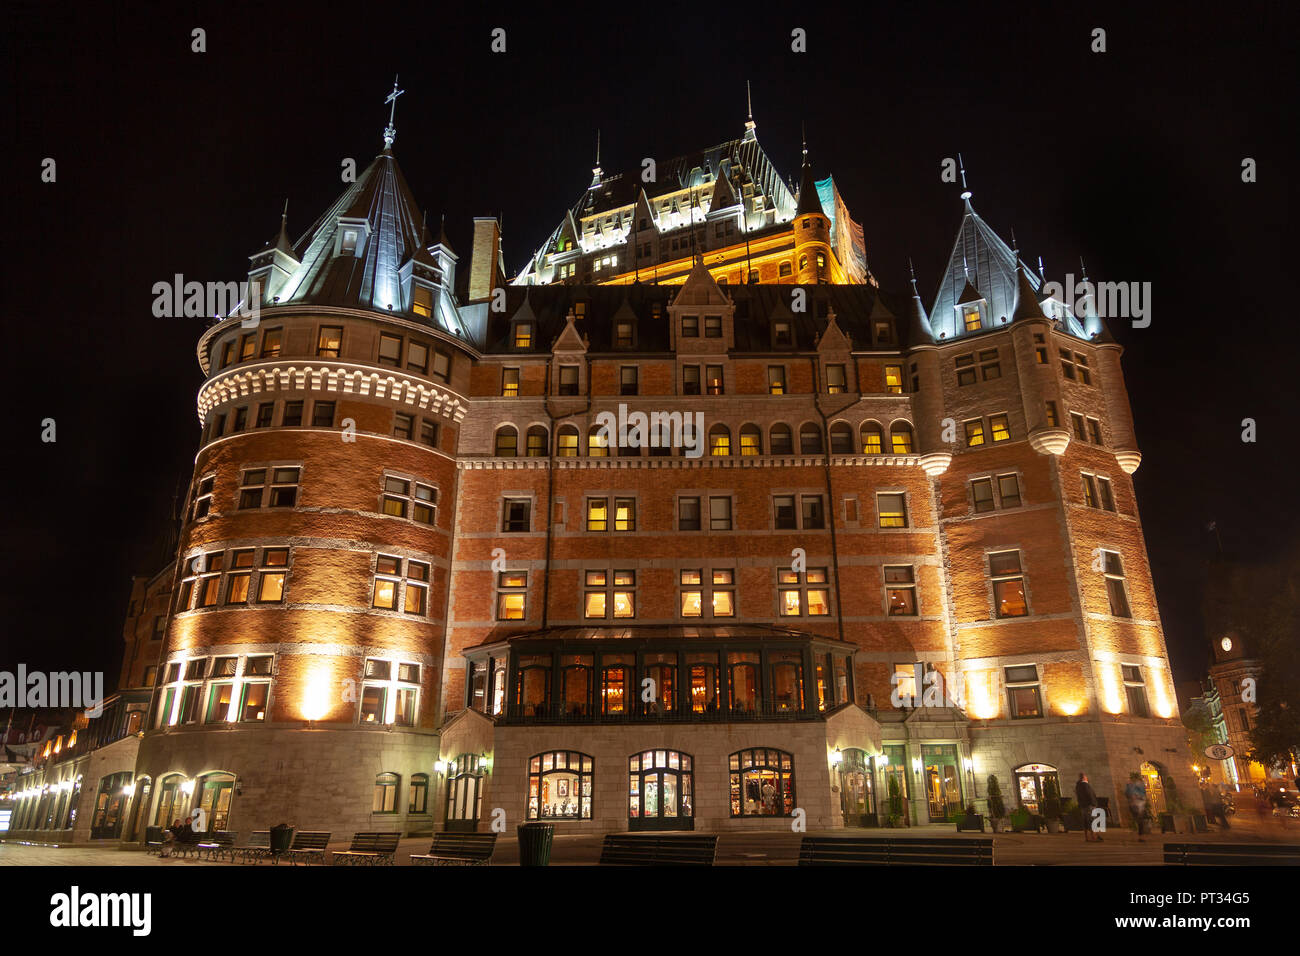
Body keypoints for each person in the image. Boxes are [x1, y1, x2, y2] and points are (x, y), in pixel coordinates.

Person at [1076, 773, 1101, 842]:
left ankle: (1087, 837)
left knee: (1085, 822)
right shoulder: (1085, 785)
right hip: (1089, 806)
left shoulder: (1078, 786)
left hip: (1083, 806)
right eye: (1086, 777)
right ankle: (1094, 837)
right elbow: (1090, 795)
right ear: (1084, 778)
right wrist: (1094, 804)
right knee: (1092, 821)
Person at [1124, 772, 1149, 842]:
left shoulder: (1135, 785)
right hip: (1136, 804)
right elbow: (1127, 794)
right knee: (1139, 820)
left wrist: (1137, 796)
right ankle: (1140, 836)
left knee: (1140, 820)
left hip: (1138, 804)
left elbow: (1143, 794)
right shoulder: (1131, 785)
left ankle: (1141, 836)